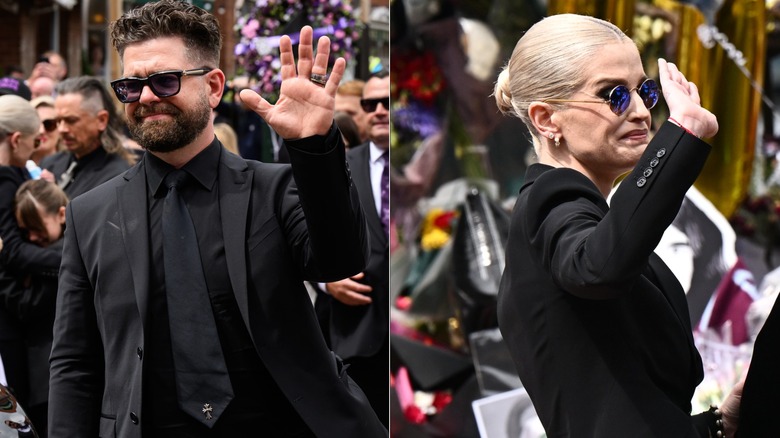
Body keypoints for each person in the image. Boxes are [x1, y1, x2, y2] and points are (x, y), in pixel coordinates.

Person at [47, 1, 385, 437]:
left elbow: (340, 259)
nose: (147, 97)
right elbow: (74, 361)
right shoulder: (90, 214)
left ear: (212, 86)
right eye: (131, 86)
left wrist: (314, 147)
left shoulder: (274, 190)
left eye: (165, 81)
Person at [493, 14, 741, 437]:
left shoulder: (591, 217)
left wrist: (720, 424)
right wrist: (682, 135)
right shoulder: (549, 200)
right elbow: (599, 267)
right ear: (546, 119)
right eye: (614, 95)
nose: (644, 111)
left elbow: (625, 407)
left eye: (645, 91)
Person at [321, 71, 390, 426]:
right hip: (357, 335)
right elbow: (310, 233)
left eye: (388, 102)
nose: (379, 111)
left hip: (423, 335)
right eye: (369, 104)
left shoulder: (435, 163)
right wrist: (325, 282)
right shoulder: (341, 165)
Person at [0, 94, 59, 413]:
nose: (38, 147)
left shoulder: (17, 172)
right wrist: (72, 258)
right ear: (16, 138)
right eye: (36, 139)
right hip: (11, 314)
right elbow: (13, 252)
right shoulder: (4, 177)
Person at [11, 179, 68, 438]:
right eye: (25, 232)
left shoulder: (61, 253)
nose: (32, 238)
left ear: (61, 214)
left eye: (36, 228)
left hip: (54, 383)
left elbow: (26, 305)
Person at [39, 76, 135, 199]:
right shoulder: (50, 164)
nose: (62, 129)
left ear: (101, 120)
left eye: (71, 120)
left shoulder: (117, 178)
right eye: (58, 121)